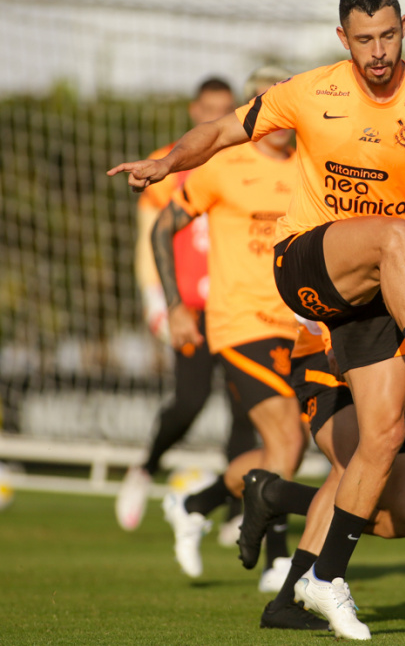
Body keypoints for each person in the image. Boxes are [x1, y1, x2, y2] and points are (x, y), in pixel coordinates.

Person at [109, 0, 405, 640]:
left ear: (403, 27)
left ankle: (315, 582)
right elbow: (220, 130)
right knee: (388, 244)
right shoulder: (309, 92)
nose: (377, 52)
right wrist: (165, 163)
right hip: (303, 270)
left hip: (374, 301)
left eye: (387, 36)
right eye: (363, 39)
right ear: (341, 38)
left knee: (396, 491)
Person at [241, 171, 405, 631]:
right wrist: (328, 331)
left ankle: (273, 494)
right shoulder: (366, 170)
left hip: (381, 351)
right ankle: (291, 599)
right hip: (322, 344)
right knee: (354, 459)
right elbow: (320, 260)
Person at [149, 67, 308, 590]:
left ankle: (197, 502)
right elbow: (162, 225)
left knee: (288, 446)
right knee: (285, 432)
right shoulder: (223, 166)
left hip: (297, 326)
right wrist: (174, 305)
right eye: (268, 103)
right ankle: (279, 558)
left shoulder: (309, 168)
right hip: (237, 324)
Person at [115, 77, 256, 544]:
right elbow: (149, 238)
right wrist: (158, 303)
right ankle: (145, 468)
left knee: (244, 409)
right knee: (190, 402)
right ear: (195, 110)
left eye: (225, 107)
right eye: (209, 108)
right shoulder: (169, 162)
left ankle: (236, 512)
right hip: (189, 309)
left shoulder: (244, 160)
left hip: (237, 307)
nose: (216, 114)